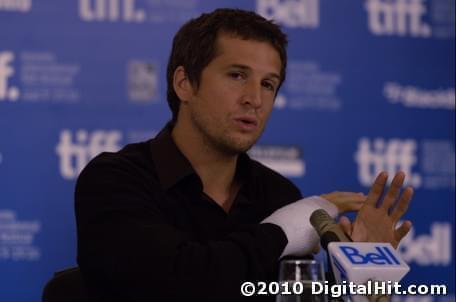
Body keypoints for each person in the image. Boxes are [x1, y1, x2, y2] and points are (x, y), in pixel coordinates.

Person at [75, 8, 413, 302]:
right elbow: (174, 287)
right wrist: (281, 233)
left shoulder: (279, 196)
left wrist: (362, 281)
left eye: (268, 84)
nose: (255, 98)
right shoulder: (114, 180)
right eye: (237, 75)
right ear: (184, 84)